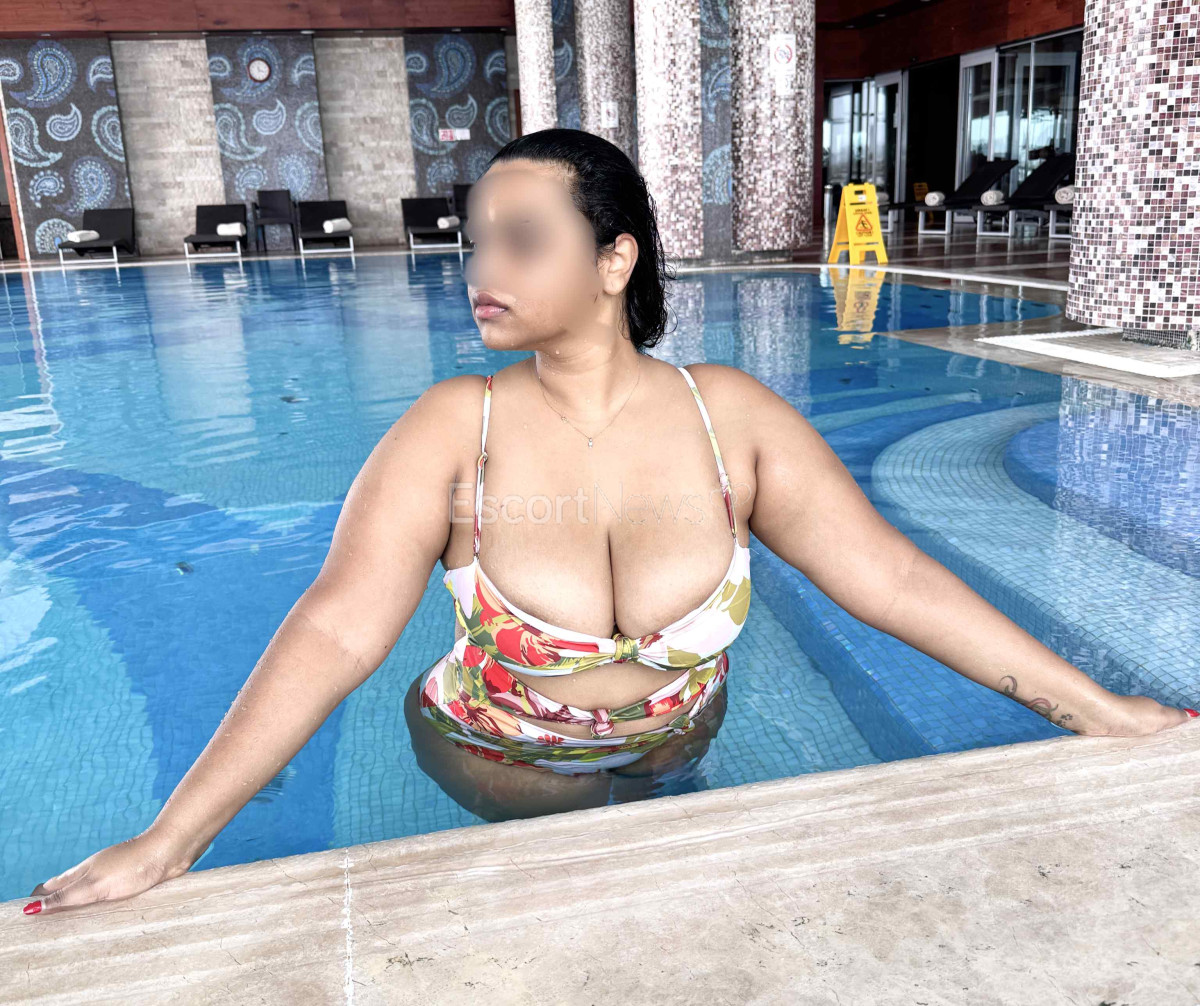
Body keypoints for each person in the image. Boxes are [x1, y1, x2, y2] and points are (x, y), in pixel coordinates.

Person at [23, 128, 1197, 917]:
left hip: (674, 734)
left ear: (614, 258)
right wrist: (171, 840)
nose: (481, 266)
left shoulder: (728, 417)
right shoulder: (455, 429)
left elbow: (889, 580)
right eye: (478, 239)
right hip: (501, 759)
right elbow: (335, 628)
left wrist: (1093, 708)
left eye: (522, 239)